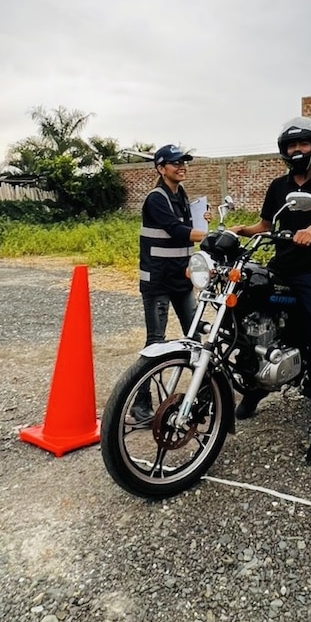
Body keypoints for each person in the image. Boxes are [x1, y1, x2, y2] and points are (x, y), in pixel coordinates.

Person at [232, 117, 311, 467]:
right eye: (291, 146)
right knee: (242, 312)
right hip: (282, 265)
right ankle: (254, 384)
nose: (297, 150)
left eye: (304, 144)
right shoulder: (278, 185)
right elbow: (266, 225)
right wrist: (241, 230)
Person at [131, 143, 211, 424]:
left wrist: (202, 223)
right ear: (161, 168)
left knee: (196, 339)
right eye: (175, 163)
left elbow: (183, 235)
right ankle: (140, 406)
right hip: (158, 282)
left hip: (180, 279)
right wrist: (206, 236)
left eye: (184, 162)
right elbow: (177, 232)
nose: (182, 167)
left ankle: (204, 396)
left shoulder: (181, 195)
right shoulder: (156, 198)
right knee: (156, 343)